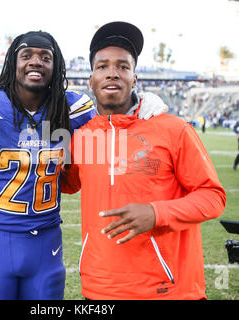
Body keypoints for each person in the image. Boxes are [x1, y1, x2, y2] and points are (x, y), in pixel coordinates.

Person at [0, 30, 167, 300]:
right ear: (13, 63)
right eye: (27, 55)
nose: (36, 62)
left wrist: (139, 106)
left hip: (47, 246)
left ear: (56, 67)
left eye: (46, 57)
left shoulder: (72, 110)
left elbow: (112, 126)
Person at [61, 21, 226, 300]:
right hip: (100, 289)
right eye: (102, 66)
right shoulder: (83, 137)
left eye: (123, 66)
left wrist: (156, 213)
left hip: (168, 290)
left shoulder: (173, 129)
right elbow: (67, 183)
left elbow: (213, 197)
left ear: (135, 78)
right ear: (91, 80)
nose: (112, 73)